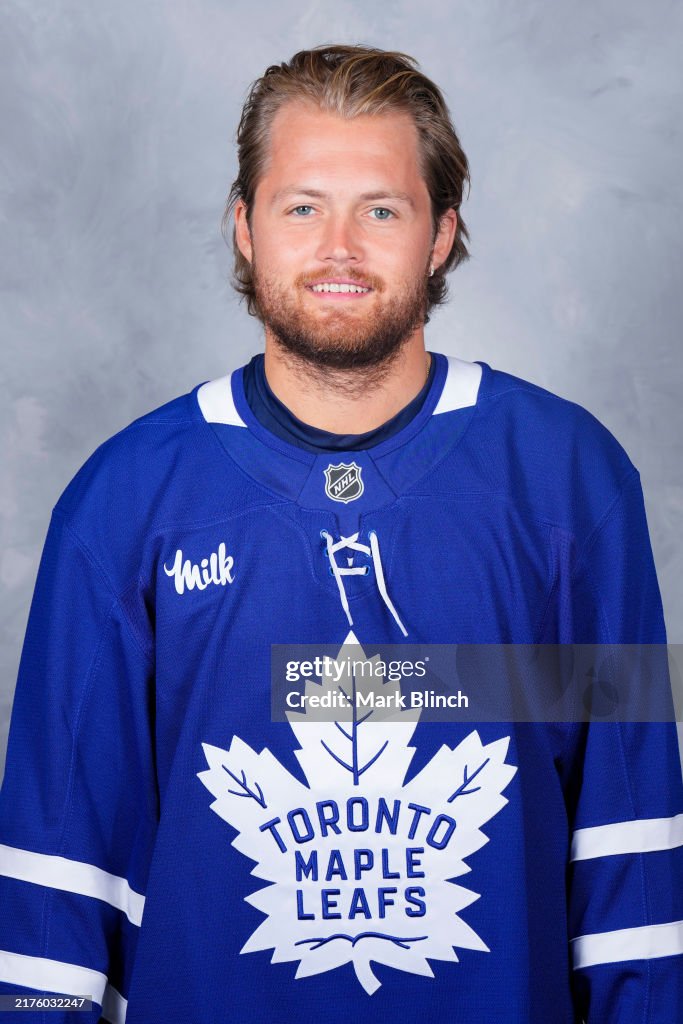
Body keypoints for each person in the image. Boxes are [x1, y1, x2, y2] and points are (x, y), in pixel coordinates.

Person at [0, 43, 681, 1024]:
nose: (338, 249)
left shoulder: (572, 483)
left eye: (381, 209)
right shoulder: (120, 504)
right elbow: (55, 889)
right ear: (244, 227)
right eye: (300, 205)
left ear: (441, 232)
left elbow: (632, 872)